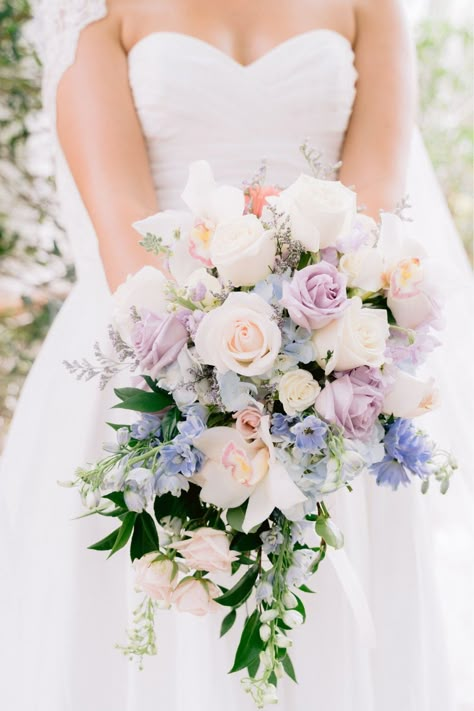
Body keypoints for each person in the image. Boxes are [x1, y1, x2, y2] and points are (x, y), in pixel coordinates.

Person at [1, 1, 472, 709]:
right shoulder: (90, 7)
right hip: (144, 357)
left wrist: (307, 363)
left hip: (331, 377)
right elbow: (121, 224)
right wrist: (227, 377)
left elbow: (375, 197)